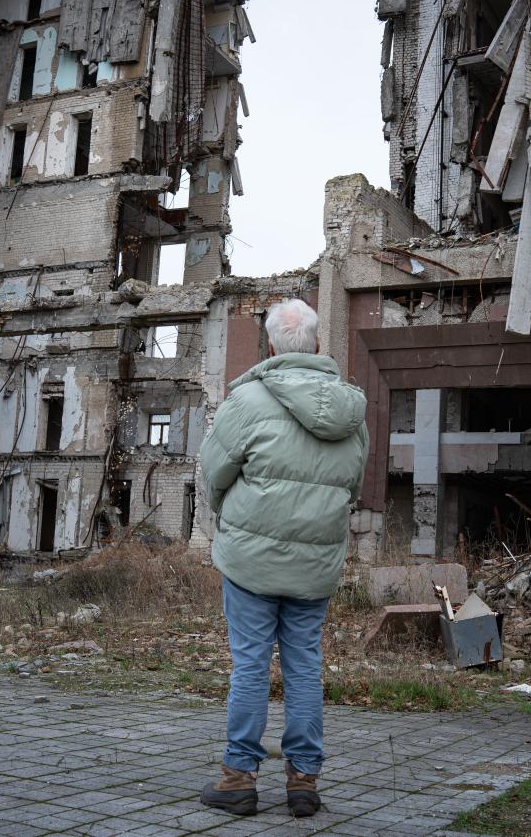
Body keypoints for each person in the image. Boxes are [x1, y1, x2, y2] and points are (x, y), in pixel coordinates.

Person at [198, 298, 369, 818]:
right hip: (314, 567)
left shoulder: (247, 401)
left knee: (250, 666)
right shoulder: (350, 410)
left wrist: (234, 518)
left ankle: (238, 780)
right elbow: (352, 487)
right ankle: (303, 782)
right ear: (316, 344)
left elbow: (212, 475)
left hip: (249, 560)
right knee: (303, 667)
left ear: (271, 346)